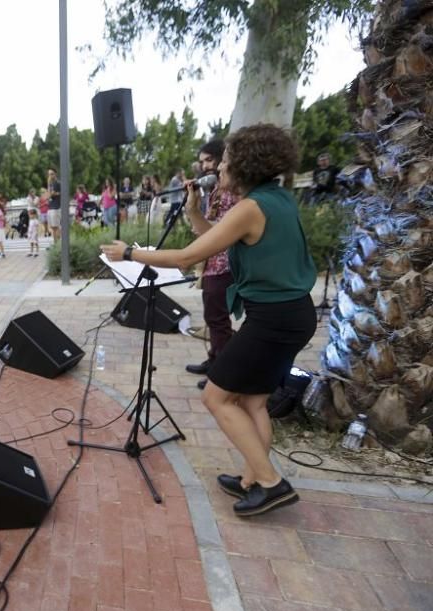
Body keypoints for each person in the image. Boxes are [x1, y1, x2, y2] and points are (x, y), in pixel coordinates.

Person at [101, 124, 316, 517]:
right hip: (292, 315)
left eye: (226, 162)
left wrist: (130, 253)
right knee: (252, 402)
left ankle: (271, 483)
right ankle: (255, 476)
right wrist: (196, 212)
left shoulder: (251, 208)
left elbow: (187, 258)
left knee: (215, 396)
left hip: (273, 320)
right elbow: (215, 240)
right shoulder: (274, 199)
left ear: (245, 166)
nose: (219, 170)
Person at [183, 138, 240, 389]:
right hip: (212, 261)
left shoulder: (231, 190)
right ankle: (214, 359)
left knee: (218, 320)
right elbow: (204, 229)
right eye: (201, 162)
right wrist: (192, 207)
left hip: (225, 263)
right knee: (211, 315)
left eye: (210, 160)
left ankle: (222, 372)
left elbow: (219, 232)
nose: (206, 166)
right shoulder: (215, 189)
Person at [46, 169, 61, 237]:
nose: (50, 176)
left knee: (56, 227)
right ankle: (55, 244)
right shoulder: (51, 184)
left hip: (56, 207)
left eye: (52, 174)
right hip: (51, 207)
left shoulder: (56, 183)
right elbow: (49, 195)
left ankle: (58, 244)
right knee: (53, 227)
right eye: (49, 174)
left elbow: (49, 195)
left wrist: (51, 193)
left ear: (55, 174)